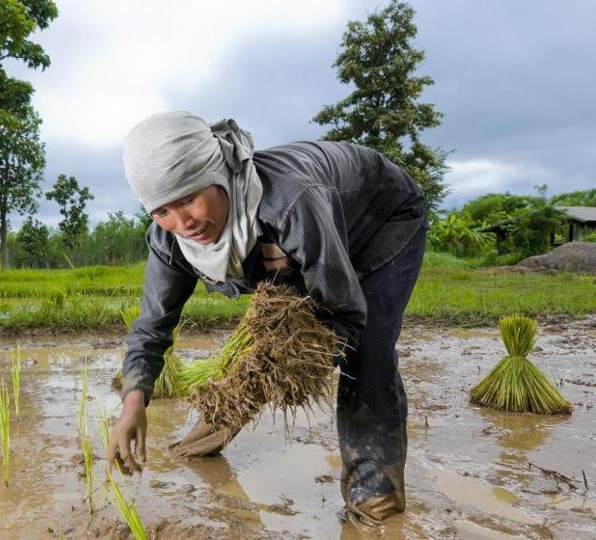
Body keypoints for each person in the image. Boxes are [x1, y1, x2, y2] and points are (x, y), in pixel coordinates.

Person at [105, 111, 428, 523]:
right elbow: (152, 326)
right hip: (299, 240)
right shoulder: (171, 239)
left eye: (189, 198)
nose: (182, 223)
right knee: (275, 318)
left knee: (366, 351)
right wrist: (133, 403)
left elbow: (345, 317)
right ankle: (224, 418)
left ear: (220, 174)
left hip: (382, 221)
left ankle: (375, 497)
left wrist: (251, 390)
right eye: (162, 210)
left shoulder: (290, 202)